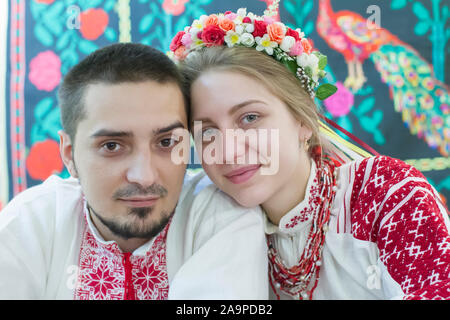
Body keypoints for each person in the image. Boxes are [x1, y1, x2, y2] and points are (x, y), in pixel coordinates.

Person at [169, 5, 450, 300]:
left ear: (303, 120)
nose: (228, 151)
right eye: (207, 132)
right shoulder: (210, 223)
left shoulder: (385, 195)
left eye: (250, 118)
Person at [0, 43, 268, 299]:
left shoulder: (219, 216)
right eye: (112, 146)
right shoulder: (30, 224)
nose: (144, 176)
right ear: (70, 155)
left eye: (166, 142)